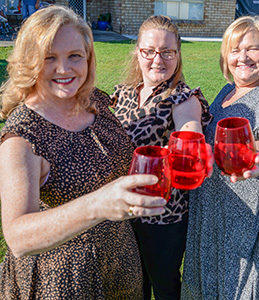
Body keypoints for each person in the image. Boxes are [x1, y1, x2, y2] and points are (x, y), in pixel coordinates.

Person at [0, 6, 168, 299]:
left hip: (121, 264)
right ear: (30, 62)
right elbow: (18, 236)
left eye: (74, 56)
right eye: (48, 58)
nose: (64, 69)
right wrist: (99, 204)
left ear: (88, 58)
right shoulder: (23, 135)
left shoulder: (96, 103)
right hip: (65, 278)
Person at [181, 15, 259, 300]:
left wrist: (254, 154)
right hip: (214, 218)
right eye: (235, 49)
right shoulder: (228, 92)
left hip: (248, 225)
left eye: (252, 48)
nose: (242, 57)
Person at [110, 15, 213, 300]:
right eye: (150, 51)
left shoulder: (182, 98)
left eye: (168, 52)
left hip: (162, 217)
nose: (159, 59)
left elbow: (189, 133)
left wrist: (194, 149)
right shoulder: (123, 94)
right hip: (122, 212)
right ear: (138, 51)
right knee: (132, 285)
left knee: (164, 285)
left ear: (178, 55)